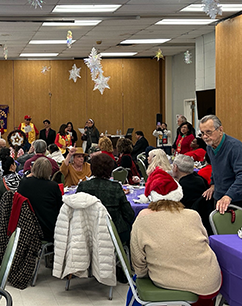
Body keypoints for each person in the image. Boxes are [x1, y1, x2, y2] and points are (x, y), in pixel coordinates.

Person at [131, 167, 221, 306]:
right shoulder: (192, 215)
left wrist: (144, 273)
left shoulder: (143, 220)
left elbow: (138, 263)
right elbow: (205, 242)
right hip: (209, 281)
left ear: (150, 196)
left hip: (174, 283)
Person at [77, 153, 134, 243]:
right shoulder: (115, 187)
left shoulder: (83, 186)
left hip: (89, 232)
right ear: (110, 169)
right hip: (115, 233)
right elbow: (129, 214)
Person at [200, 115, 242, 213]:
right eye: (202, 133)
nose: (205, 137)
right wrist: (213, 184)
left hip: (235, 199)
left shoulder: (235, 147)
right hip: (219, 196)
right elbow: (215, 168)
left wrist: (229, 196)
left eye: (208, 132)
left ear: (220, 130)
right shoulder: (210, 147)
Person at [18, 158, 63, 242]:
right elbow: (60, 208)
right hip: (47, 230)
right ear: (49, 171)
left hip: (26, 228)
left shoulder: (24, 183)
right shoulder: (53, 186)